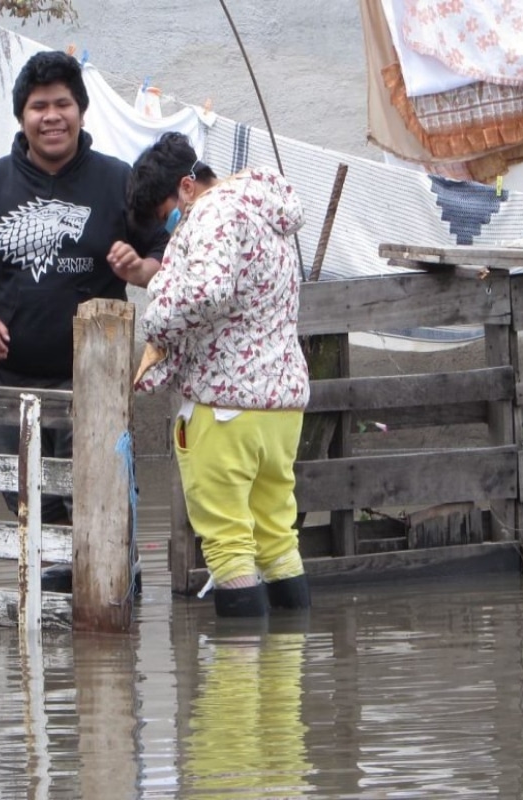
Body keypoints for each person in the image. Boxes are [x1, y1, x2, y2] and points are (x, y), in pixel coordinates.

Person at [0, 51, 165, 589]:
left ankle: (106, 610)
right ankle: (54, 635)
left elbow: (165, 249)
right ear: (22, 117)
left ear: (82, 112)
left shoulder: (118, 183)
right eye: (40, 106)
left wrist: (143, 268)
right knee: (30, 506)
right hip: (13, 385)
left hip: (95, 385)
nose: (52, 116)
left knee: (97, 500)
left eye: (64, 103)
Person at [128, 132, 311, 618]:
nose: (174, 227)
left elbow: (209, 291)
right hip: (281, 406)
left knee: (229, 545)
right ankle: (283, 681)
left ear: (187, 188)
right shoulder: (263, 210)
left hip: (224, 405)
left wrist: (156, 314)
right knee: (276, 536)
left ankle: (234, 689)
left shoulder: (211, 212)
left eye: (170, 215)